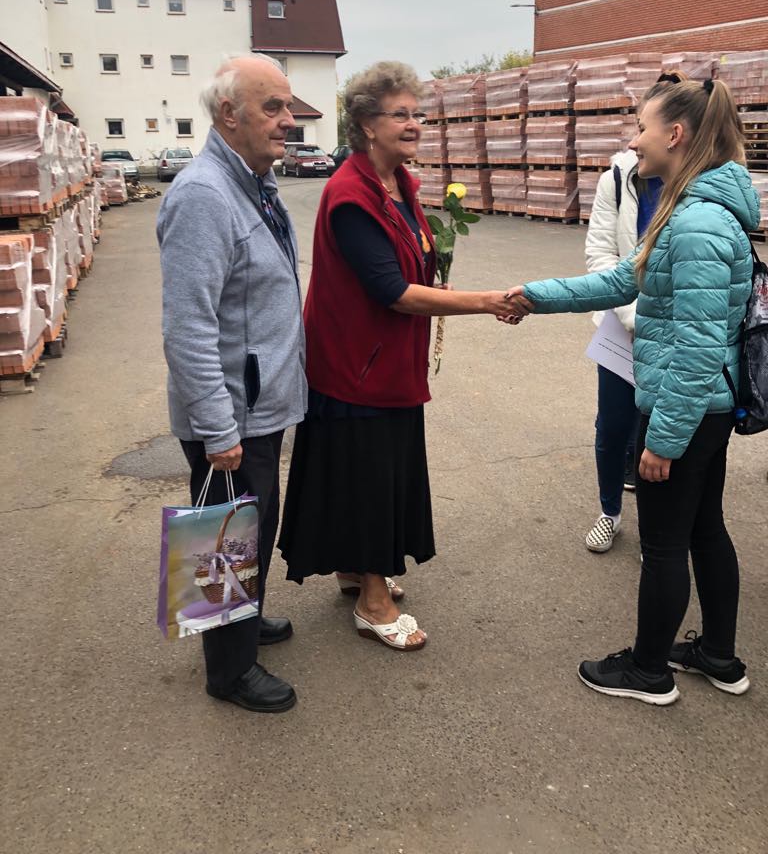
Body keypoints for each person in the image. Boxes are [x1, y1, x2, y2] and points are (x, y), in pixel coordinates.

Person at [506, 76, 759, 704]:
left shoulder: (698, 222)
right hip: (704, 407)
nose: (633, 140)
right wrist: (532, 297)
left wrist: (664, 439)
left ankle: (648, 672)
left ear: (675, 135)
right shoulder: (691, 208)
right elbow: (621, 281)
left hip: (685, 406)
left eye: (641, 127)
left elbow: (699, 346)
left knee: (666, 542)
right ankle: (718, 657)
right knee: (705, 529)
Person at [277, 61, 519, 651]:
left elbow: (411, 260)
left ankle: (353, 566)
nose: (414, 125)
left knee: (370, 470)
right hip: (357, 366)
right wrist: (486, 301)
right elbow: (394, 292)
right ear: (366, 124)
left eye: (418, 115)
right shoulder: (351, 195)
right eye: (401, 115)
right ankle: (373, 599)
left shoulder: (399, 184)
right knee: (369, 477)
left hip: (386, 361)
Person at [157, 55, 306, 713]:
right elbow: (187, 327)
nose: (288, 119)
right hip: (232, 413)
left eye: (288, 105)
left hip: (258, 403)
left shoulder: (253, 183)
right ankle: (229, 672)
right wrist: (217, 428)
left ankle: (241, 618)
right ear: (229, 114)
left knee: (249, 526)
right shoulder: (204, 196)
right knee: (225, 533)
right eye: (273, 107)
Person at [583, 150, 663, 552]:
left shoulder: (699, 179)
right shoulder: (617, 179)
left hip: (673, 330)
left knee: (662, 433)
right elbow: (601, 254)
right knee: (613, 425)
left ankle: (658, 528)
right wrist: (633, 317)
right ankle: (609, 513)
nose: (635, 138)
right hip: (620, 324)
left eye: (643, 126)